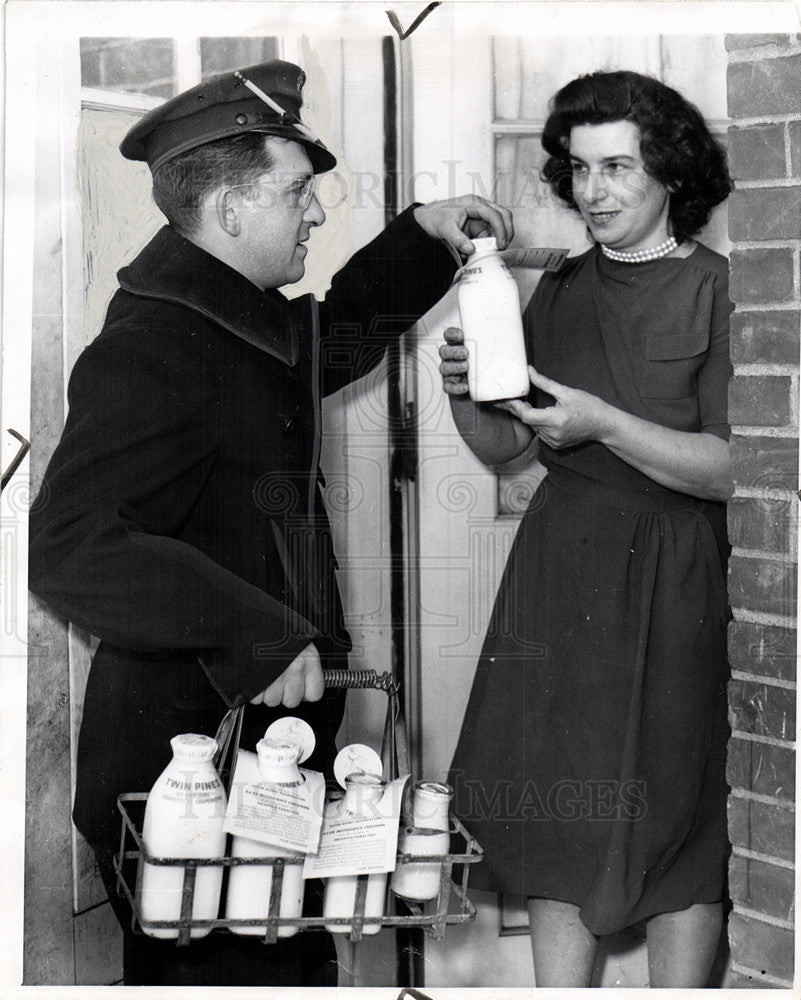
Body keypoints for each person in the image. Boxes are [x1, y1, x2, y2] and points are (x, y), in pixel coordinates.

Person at [28, 59, 512, 986]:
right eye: (299, 193)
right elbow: (68, 548)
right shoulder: (154, 345)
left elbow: (324, 340)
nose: (318, 214)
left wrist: (423, 237)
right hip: (185, 782)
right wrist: (258, 627)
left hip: (250, 770)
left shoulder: (223, 321)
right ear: (230, 209)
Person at [441, 70, 732, 988]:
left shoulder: (719, 290)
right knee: (559, 812)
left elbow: (740, 469)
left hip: (677, 575)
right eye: (578, 170)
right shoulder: (557, 287)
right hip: (560, 572)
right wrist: (465, 394)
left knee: (680, 808)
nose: (594, 192)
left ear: (671, 174)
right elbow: (502, 449)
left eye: (617, 167)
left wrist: (605, 423)